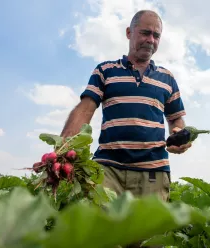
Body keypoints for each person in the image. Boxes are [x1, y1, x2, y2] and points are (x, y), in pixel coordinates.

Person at [60, 10, 191, 246]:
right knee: (102, 237)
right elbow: (85, 109)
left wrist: (180, 136)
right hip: (108, 170)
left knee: (148, 239)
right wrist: (63, 148)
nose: (151, 40)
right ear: (129, 33)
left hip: (153, 172)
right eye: (145, 33)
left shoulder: (167, 78)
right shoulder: (105, 70)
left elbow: (176, 121)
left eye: (156, 35)